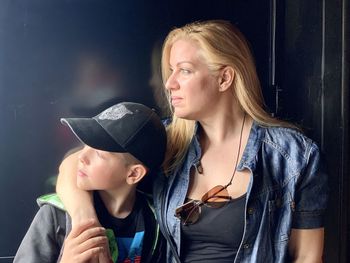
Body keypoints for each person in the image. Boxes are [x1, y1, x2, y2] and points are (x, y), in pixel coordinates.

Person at [56, 20, 328, 263]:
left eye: (184, 71)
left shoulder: (294, 155)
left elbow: (307, 255)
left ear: (224, 78)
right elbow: (73, 166)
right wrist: (86, 222)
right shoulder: (168, 142)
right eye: (171, 70)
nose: (169, 83)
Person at [14, 102, 166, 263]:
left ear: (134, 173)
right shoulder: (55, 215)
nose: (81, 157)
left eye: (99, 153)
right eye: (85, 146)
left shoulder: (156, 221)